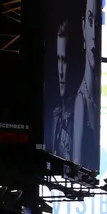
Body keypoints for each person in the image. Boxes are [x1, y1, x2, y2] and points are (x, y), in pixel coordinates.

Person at [71, 0, 103, 170]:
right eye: (90, 20)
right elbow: (75, 167)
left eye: (97, 22)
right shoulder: (80, 102)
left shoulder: (97, 96)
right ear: (84, 27)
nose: (94, 33)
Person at [48, 20, 73, 161]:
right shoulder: (53, 114)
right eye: (58, 60)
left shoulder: (80, 117)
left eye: (65, 61)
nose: (61, 71)